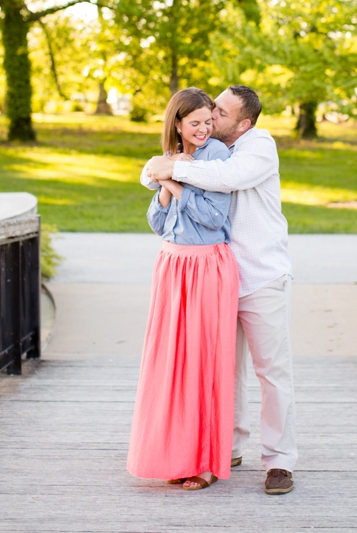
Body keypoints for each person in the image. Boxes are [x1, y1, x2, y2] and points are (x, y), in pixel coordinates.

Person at [142, 84, 297, 496]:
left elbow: (228, 180)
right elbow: (153, 172)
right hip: (219, 276)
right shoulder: (210, 149)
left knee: (272, 372)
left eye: (221, 112)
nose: (212, 115)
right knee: (224, 370)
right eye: (210, 109)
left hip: (262, 277)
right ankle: (227, 446)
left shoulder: (258, 147)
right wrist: (162, 168)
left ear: (244, 123)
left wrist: (169, 169)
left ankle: (280, 461)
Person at [127, 87, 239, 491]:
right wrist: (164, 181)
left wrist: (174, 182)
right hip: (172, 265)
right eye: (195, 124)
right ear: (177, 123)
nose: (205, 129)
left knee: (202, 366)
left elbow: (212, 218)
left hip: (207, 266)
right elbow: (158, 224)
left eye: (209, 122)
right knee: (170, 366)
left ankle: (204, 462)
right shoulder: (169, 158)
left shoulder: (218, 158)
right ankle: (175, 456)